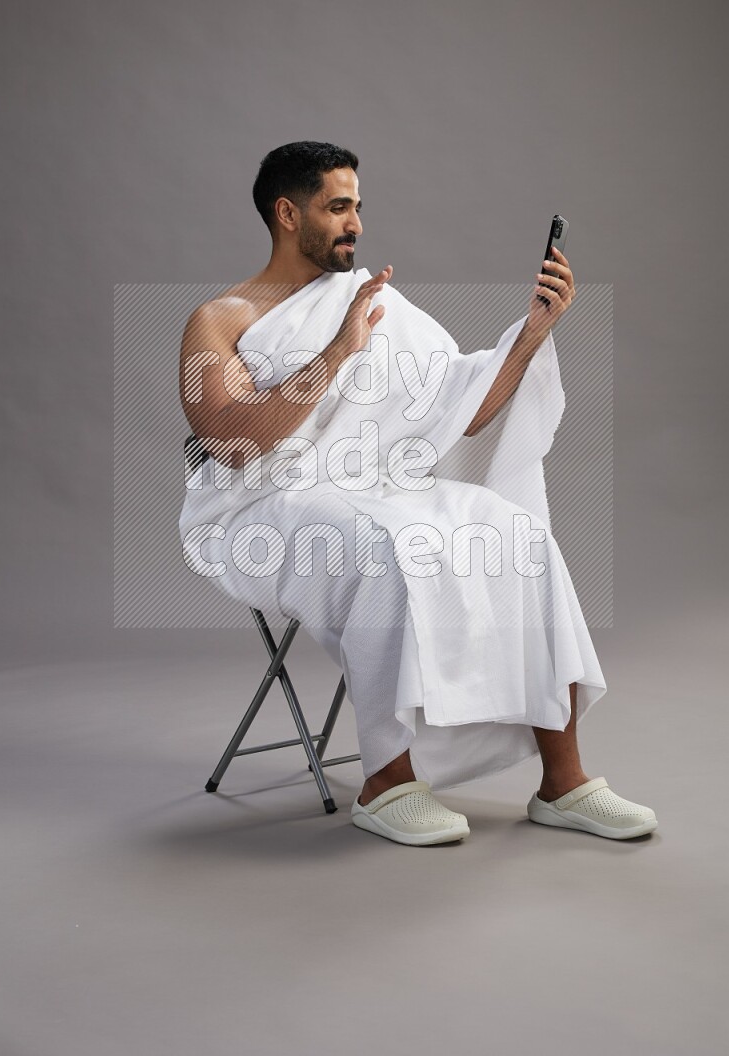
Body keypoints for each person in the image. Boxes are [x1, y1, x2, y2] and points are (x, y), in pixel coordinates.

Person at [178, 141, 658, 847]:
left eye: (358, 207)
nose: (356, 225)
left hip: (376, 484)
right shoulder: (219, 320)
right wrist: (340, 350)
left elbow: (458, 410)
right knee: (383, 547)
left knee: (513, 529)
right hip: (262, 507)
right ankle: (387, 782)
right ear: (287, 213)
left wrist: (531, 335)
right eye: (338, 207)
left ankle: (563, 782)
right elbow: (229, 439)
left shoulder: (372, 301)